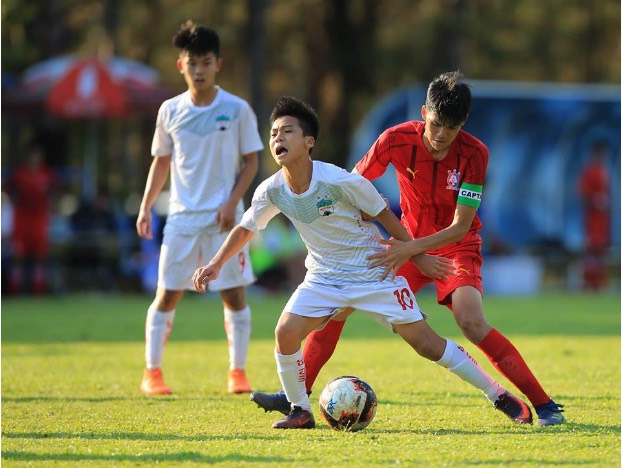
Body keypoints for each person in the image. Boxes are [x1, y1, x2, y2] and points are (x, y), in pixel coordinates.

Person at [193, 96, 533, 429]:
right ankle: (300, 409)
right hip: (324, 277)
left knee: (427, 345)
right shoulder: (271, 190)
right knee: (285, 332)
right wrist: (217, 263)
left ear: (309, 142)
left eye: (287, 132)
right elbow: (245, 227)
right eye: (273, 134)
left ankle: (497, 394)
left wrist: (417, 256)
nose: (278, 138)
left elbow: (388, 219)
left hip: (372, 272)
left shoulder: (341, 181)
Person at [136, 21, 263, 395]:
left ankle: (237, 372)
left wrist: (231, 202)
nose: (199, 70)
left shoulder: (238, 109)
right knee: (167, 294)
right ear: (181, 66)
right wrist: (145, 208)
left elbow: (252, 162)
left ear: (218, 64)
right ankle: (152, 372)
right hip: (181, 220)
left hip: (226, 220)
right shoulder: (169, 111)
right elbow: (160, 161)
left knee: (234, 294)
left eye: (206, 62)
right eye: (192, 63)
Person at [7, 144, 59, 295]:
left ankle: (38, 291)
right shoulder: (20, 173)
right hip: (22, 217)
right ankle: (14, 291)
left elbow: (56, 190)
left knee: (40, 255)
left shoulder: (47, 174)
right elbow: (8, 188)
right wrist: (13, 201)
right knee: (18, 254)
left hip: (39, 217)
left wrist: (52, 204)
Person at [577, 142, 610, 290]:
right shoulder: (590, 171)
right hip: (593, 218)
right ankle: (589, 283)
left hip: (603, 219)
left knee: (601, 250)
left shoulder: (604, 171)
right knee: (592, 250)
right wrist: (594, 200)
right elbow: (581, 192)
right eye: (600, 153)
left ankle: (599, 282)